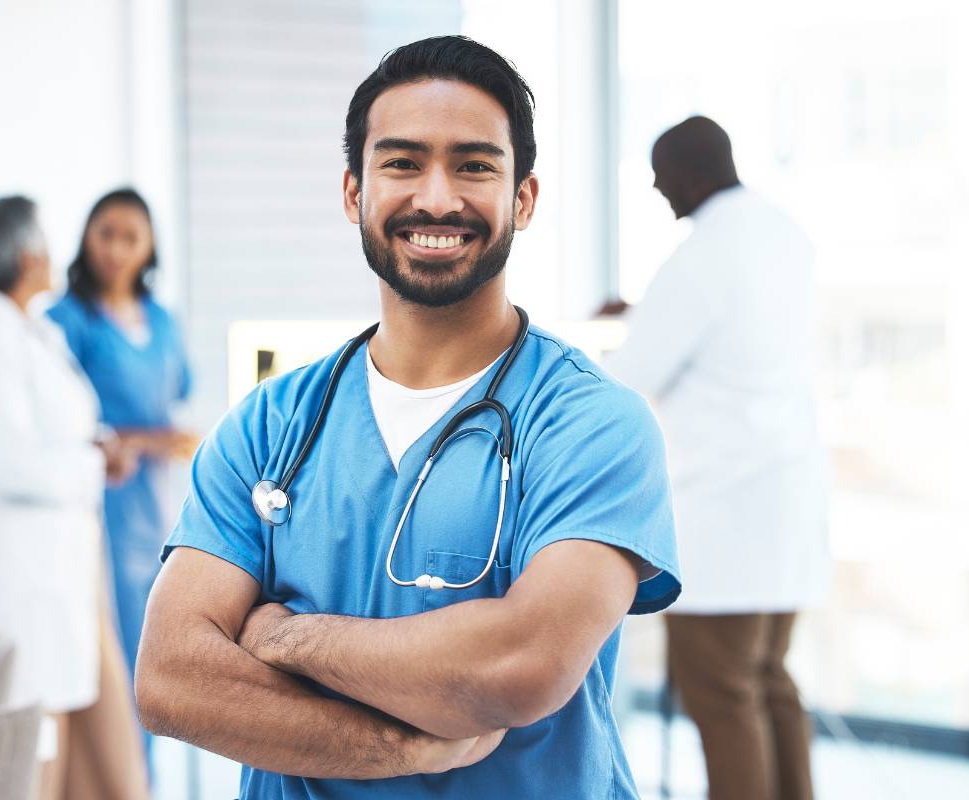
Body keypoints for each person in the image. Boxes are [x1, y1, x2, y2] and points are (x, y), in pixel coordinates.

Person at [136, 36, 681, 800]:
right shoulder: (270, 426)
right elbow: (170, 678)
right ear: (354, 192)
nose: (435, 198)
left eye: (474, 165)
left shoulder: (591, 424)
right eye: (401, 162)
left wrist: (280, 635)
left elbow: (520, 666)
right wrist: (399, 746)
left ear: (522, 198)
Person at [601, 116, 828, 800]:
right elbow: (743, 326)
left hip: (728, 510)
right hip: (787, 502)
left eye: (661, 172)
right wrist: (645, 308)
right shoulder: (782, 232)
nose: (655, 185)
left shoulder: (700, 255)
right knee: (769, 684)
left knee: (723, 695)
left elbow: (633, 375)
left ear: (695, 172)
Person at [0, 196, 148, 800]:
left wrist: (97, 444)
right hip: (15, 580)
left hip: (58, 570)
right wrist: (92, 464)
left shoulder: (35, 332)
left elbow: (61, 426)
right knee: (33, 744)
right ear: (30, 257)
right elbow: (13, 466)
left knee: (80, 720)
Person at [46, 188, 198, 699]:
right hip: (95, 501)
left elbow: (180, 401)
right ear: (85, 237)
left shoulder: (162, 322)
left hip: (155, 507)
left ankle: (142, 781)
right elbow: (58, 425)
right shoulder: (65, 323)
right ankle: (121, 779)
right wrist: (148, 439)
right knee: (110, 661)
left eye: (130, 238)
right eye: (105, 234)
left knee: (157, 657)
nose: (114, 249)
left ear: (149, 249)